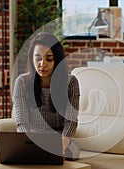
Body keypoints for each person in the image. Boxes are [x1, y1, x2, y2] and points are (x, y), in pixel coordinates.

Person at [12, 32, 80, 160]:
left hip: (60, 139)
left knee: (71, 153)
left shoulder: (71, 82)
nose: (42, 64)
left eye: (49, 58)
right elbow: (22, 124)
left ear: (58, 60)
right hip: (32, 138)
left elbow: (71, 121)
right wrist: (28, 144)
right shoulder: (22, 82)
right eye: (38, 58)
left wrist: (62, 145)